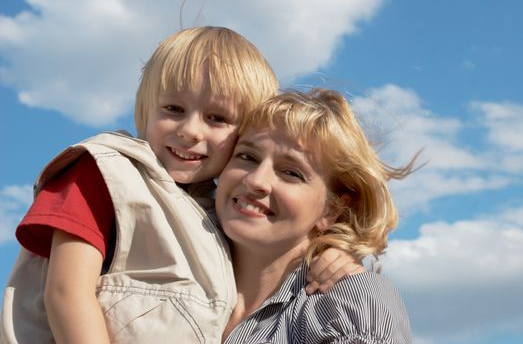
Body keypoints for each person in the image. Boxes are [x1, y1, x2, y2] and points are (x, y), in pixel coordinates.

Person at [0, 28, 359, 344]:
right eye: (173, 108)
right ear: (146, 109)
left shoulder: (217, 215)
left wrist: (327, 254)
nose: (189, 130)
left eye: (216, 118)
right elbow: (66, 293)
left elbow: (272, 252)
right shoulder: (105, 172)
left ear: (243, 135)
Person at [216, 88, 416, 343]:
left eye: (291, 173)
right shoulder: (176, 265)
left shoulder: (347, 304)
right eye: (247, 156)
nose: (256, 180)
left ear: (332, 210)